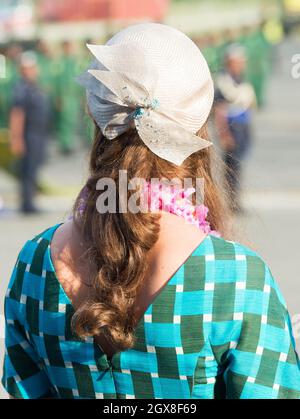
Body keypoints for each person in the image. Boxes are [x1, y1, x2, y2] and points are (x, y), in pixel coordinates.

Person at [2, 24, 300, 399]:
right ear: (198, 130)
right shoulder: (239, 279)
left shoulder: (35, 263)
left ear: (96, 119)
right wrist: (274, 343)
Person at [214, 44, 256, 213]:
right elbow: (220, 110)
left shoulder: (241, 80)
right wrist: (224, 134)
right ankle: (232, 202)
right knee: (232, 168)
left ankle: (235, 200)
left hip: (243, 127)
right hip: (232, 128)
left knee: (238, 165)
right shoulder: (224, 82)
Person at [9, 51, 51, 214]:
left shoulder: (35, 86)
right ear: (22, 70)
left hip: (39, 134)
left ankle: (30, 199)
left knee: (34, 167)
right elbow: (17, 114)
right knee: (28, 169)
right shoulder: (21, 88)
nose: (30, 71)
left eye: (32, 67)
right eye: (27, 68)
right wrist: (17, 138)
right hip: (29, 134)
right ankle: (27, 204)